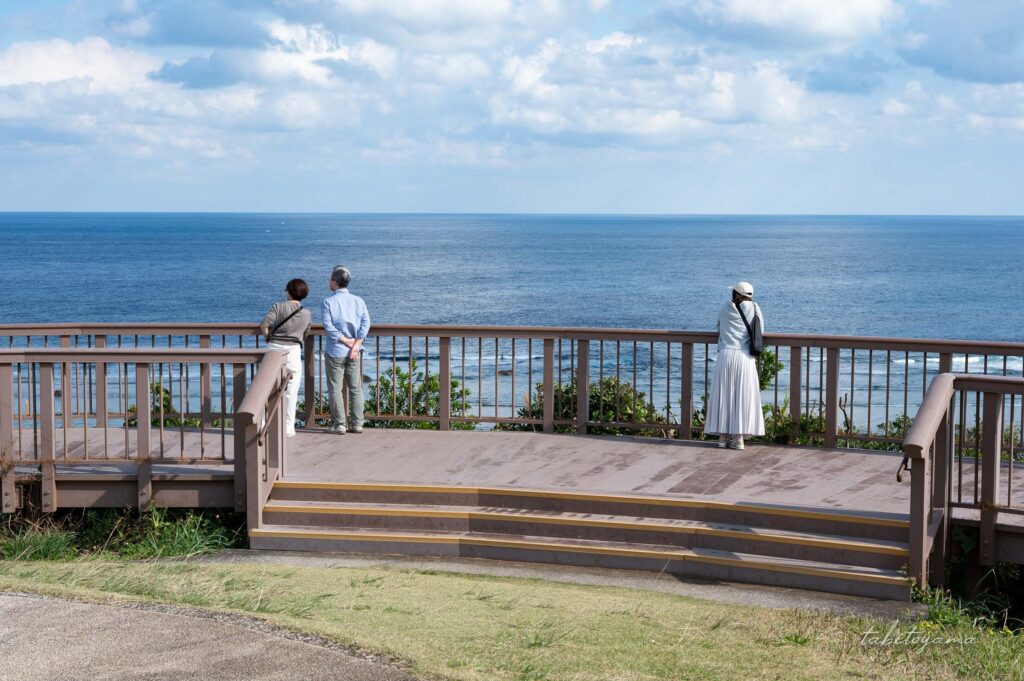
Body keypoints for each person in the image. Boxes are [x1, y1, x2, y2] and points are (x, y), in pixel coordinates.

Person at [705, 281, 765, 450]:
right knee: (742, 396)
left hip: (725, 355)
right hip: (744, 356)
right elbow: (760, 330)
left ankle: (723, 438)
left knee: (724, 396)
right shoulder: (754, 308)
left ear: (735, 294)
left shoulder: (725, 307)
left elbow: (718, 327)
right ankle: (738, 439)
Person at [259, 279, 312, 437]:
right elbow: (306, 333)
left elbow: (264, 324)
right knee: (291, 392)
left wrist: (268, 337)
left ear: (288, 292)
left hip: (274, 350)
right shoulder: (306, 313)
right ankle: (288, 428)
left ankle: (261, 425)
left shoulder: (278, 306)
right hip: (293, 352)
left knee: (265, 389)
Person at [322, 265, 370, 434]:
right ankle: (357, 423)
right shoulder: (359, 301)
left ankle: (339, 424)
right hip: (354, 353)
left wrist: (345, 341)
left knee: (335, 388)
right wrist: (356, 345)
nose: (329, 282)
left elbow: (328, 327)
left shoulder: (328, 302)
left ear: (335, 282)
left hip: (336, 350)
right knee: (356, 388)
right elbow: (365, 324)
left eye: (330, 279)